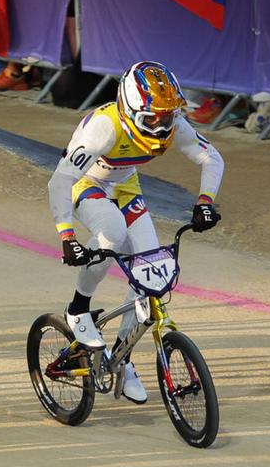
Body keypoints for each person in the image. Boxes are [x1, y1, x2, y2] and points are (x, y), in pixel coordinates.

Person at [50, 62, 223, 401]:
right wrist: (67, 236)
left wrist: (205, 202)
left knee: (151, 277)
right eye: (152, 119)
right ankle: (77, 308)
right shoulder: (104, 129)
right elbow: (60, 181)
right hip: (88, 184)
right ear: (130, 111)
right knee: (111, 231)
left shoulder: (170, 123)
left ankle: (123, 359)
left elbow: (211, 158)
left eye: (167, 117)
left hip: (126, 187)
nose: (161, 126)